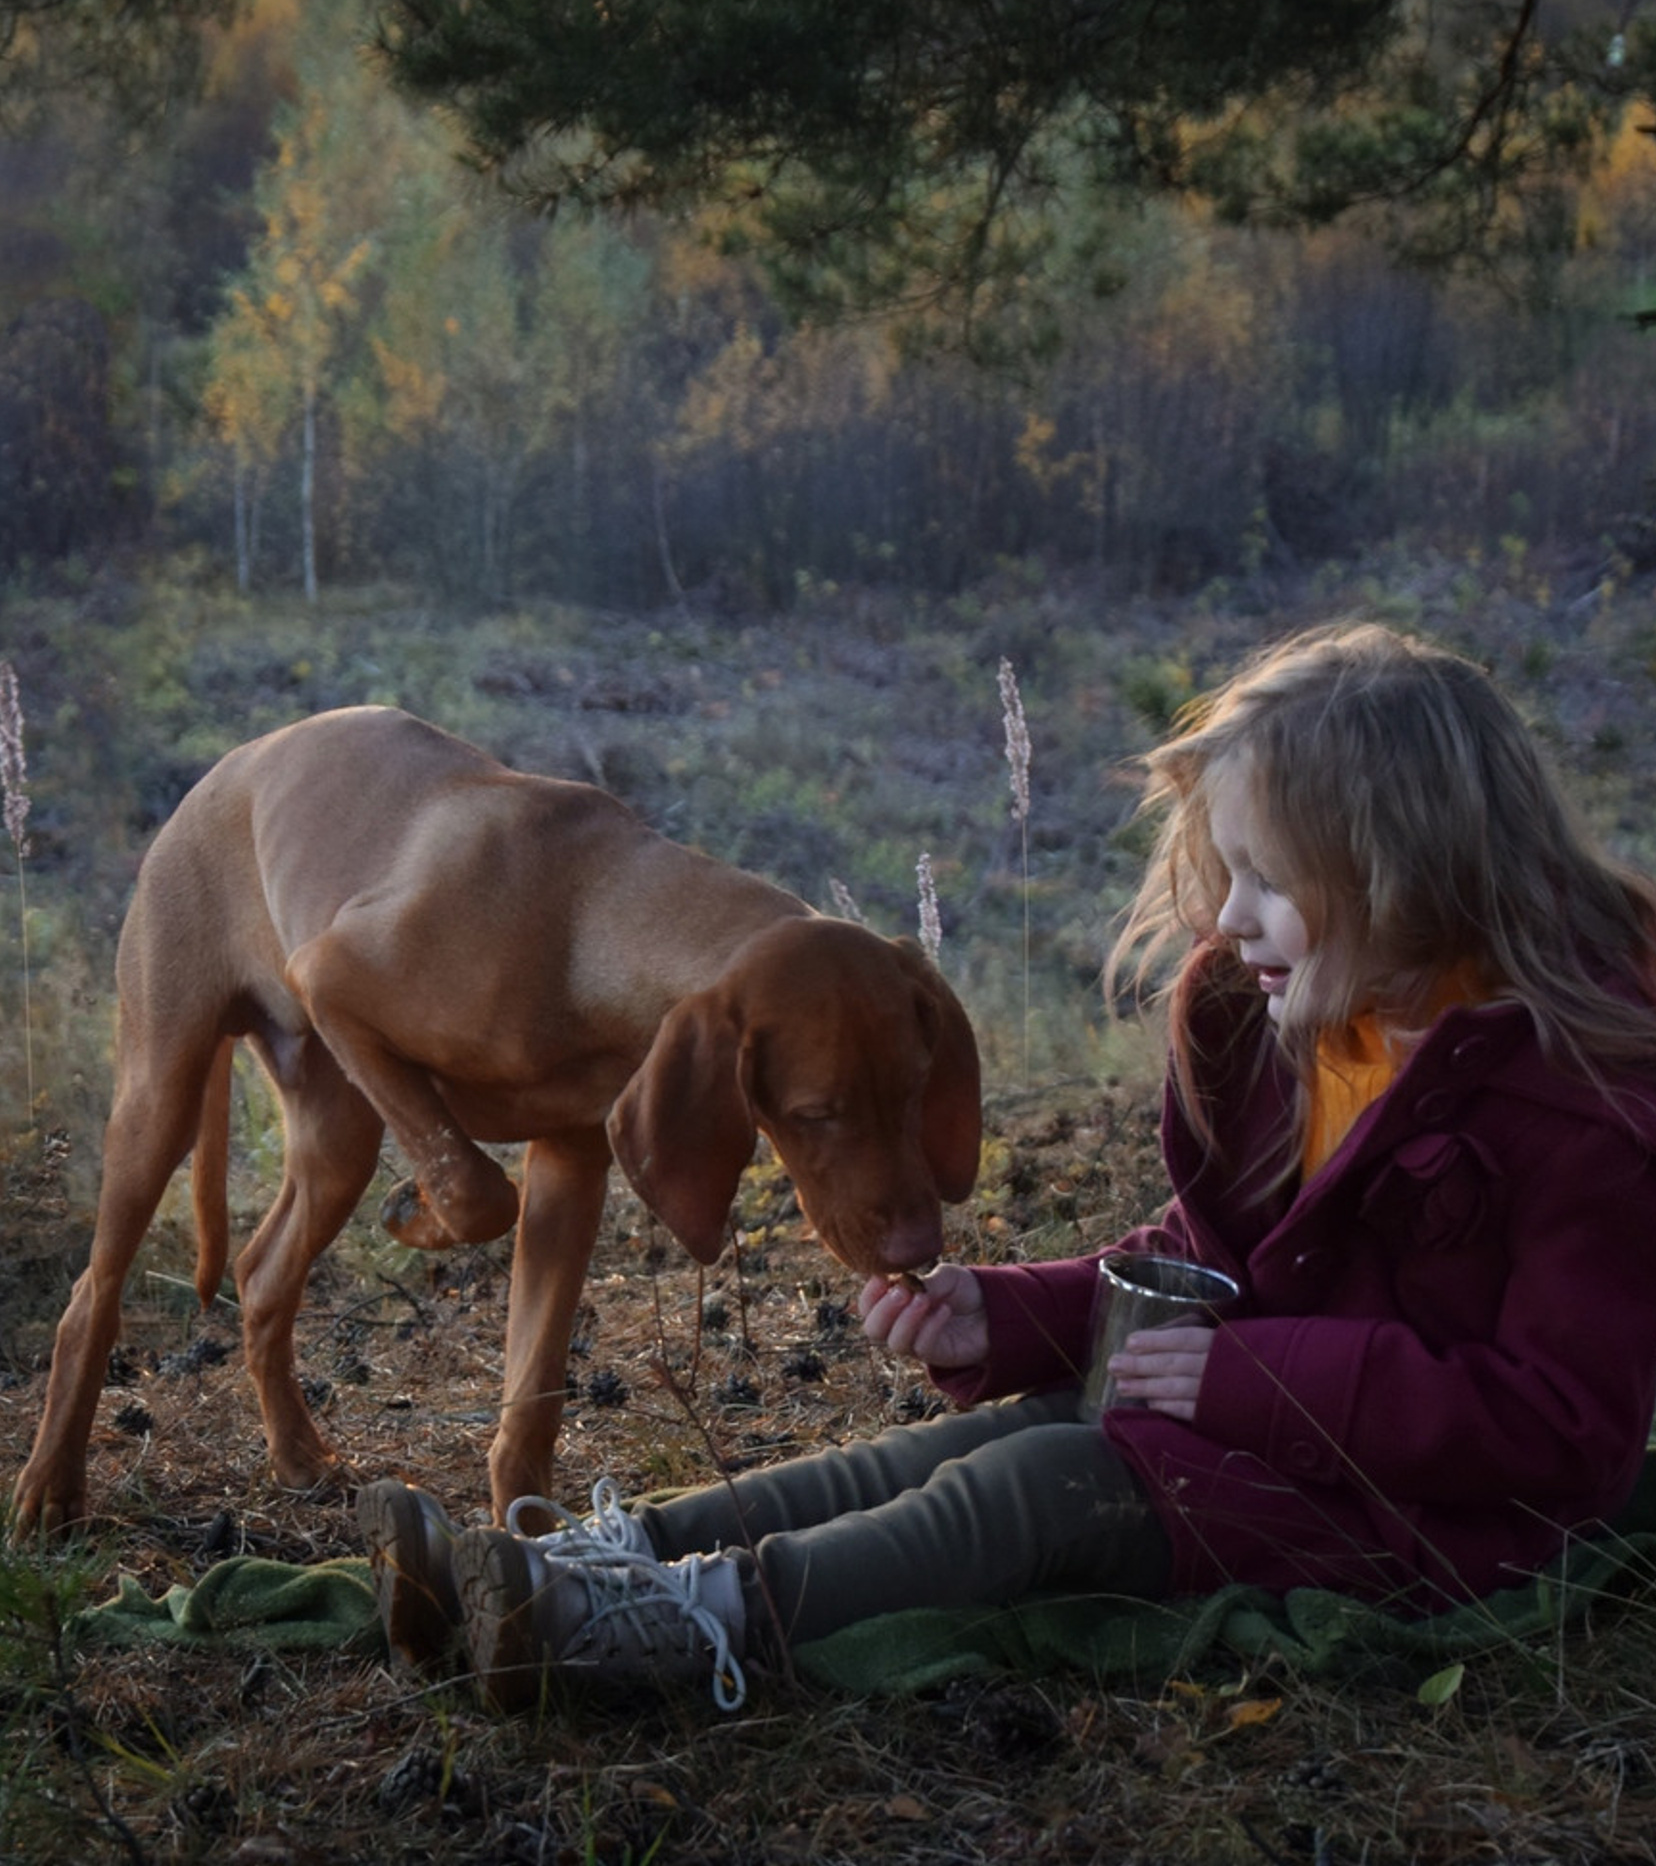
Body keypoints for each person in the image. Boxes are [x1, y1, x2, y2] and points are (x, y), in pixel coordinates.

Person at [359, 621, 1656, 1713]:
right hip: (1255, 1433)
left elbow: (1568, 1431)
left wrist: (1254, 1380)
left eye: (1270, 882)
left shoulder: (1577, 1104)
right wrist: (1015, 1313)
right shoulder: (1310, 1021)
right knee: (982, 1434)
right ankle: (579, 1559)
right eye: (1228, 873)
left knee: (1042, 1487)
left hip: (1420, 1521)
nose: (1226, 917)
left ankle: (666, 1628)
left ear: (1402, 873)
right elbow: (1212, 1267)